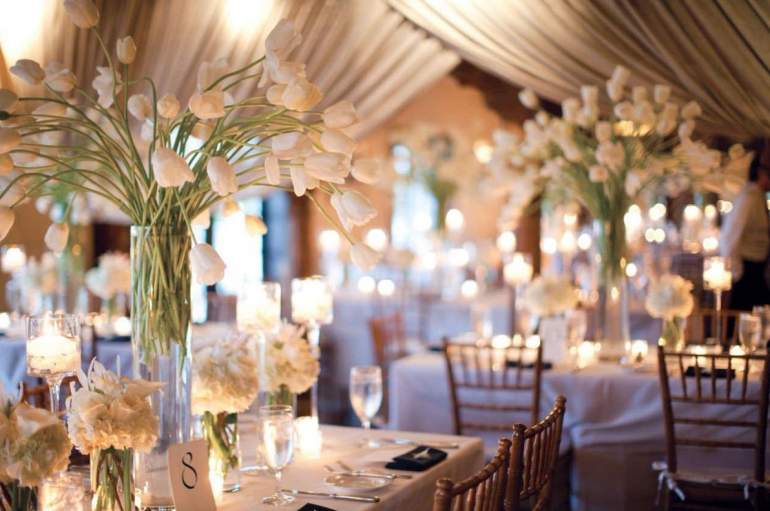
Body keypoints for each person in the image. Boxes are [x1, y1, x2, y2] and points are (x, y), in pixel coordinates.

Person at [720, 141, 770, 311]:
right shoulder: (748, 197)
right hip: (747, 272)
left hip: (757, 270)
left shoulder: (758, 196)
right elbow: (729, 237)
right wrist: (737, 274)